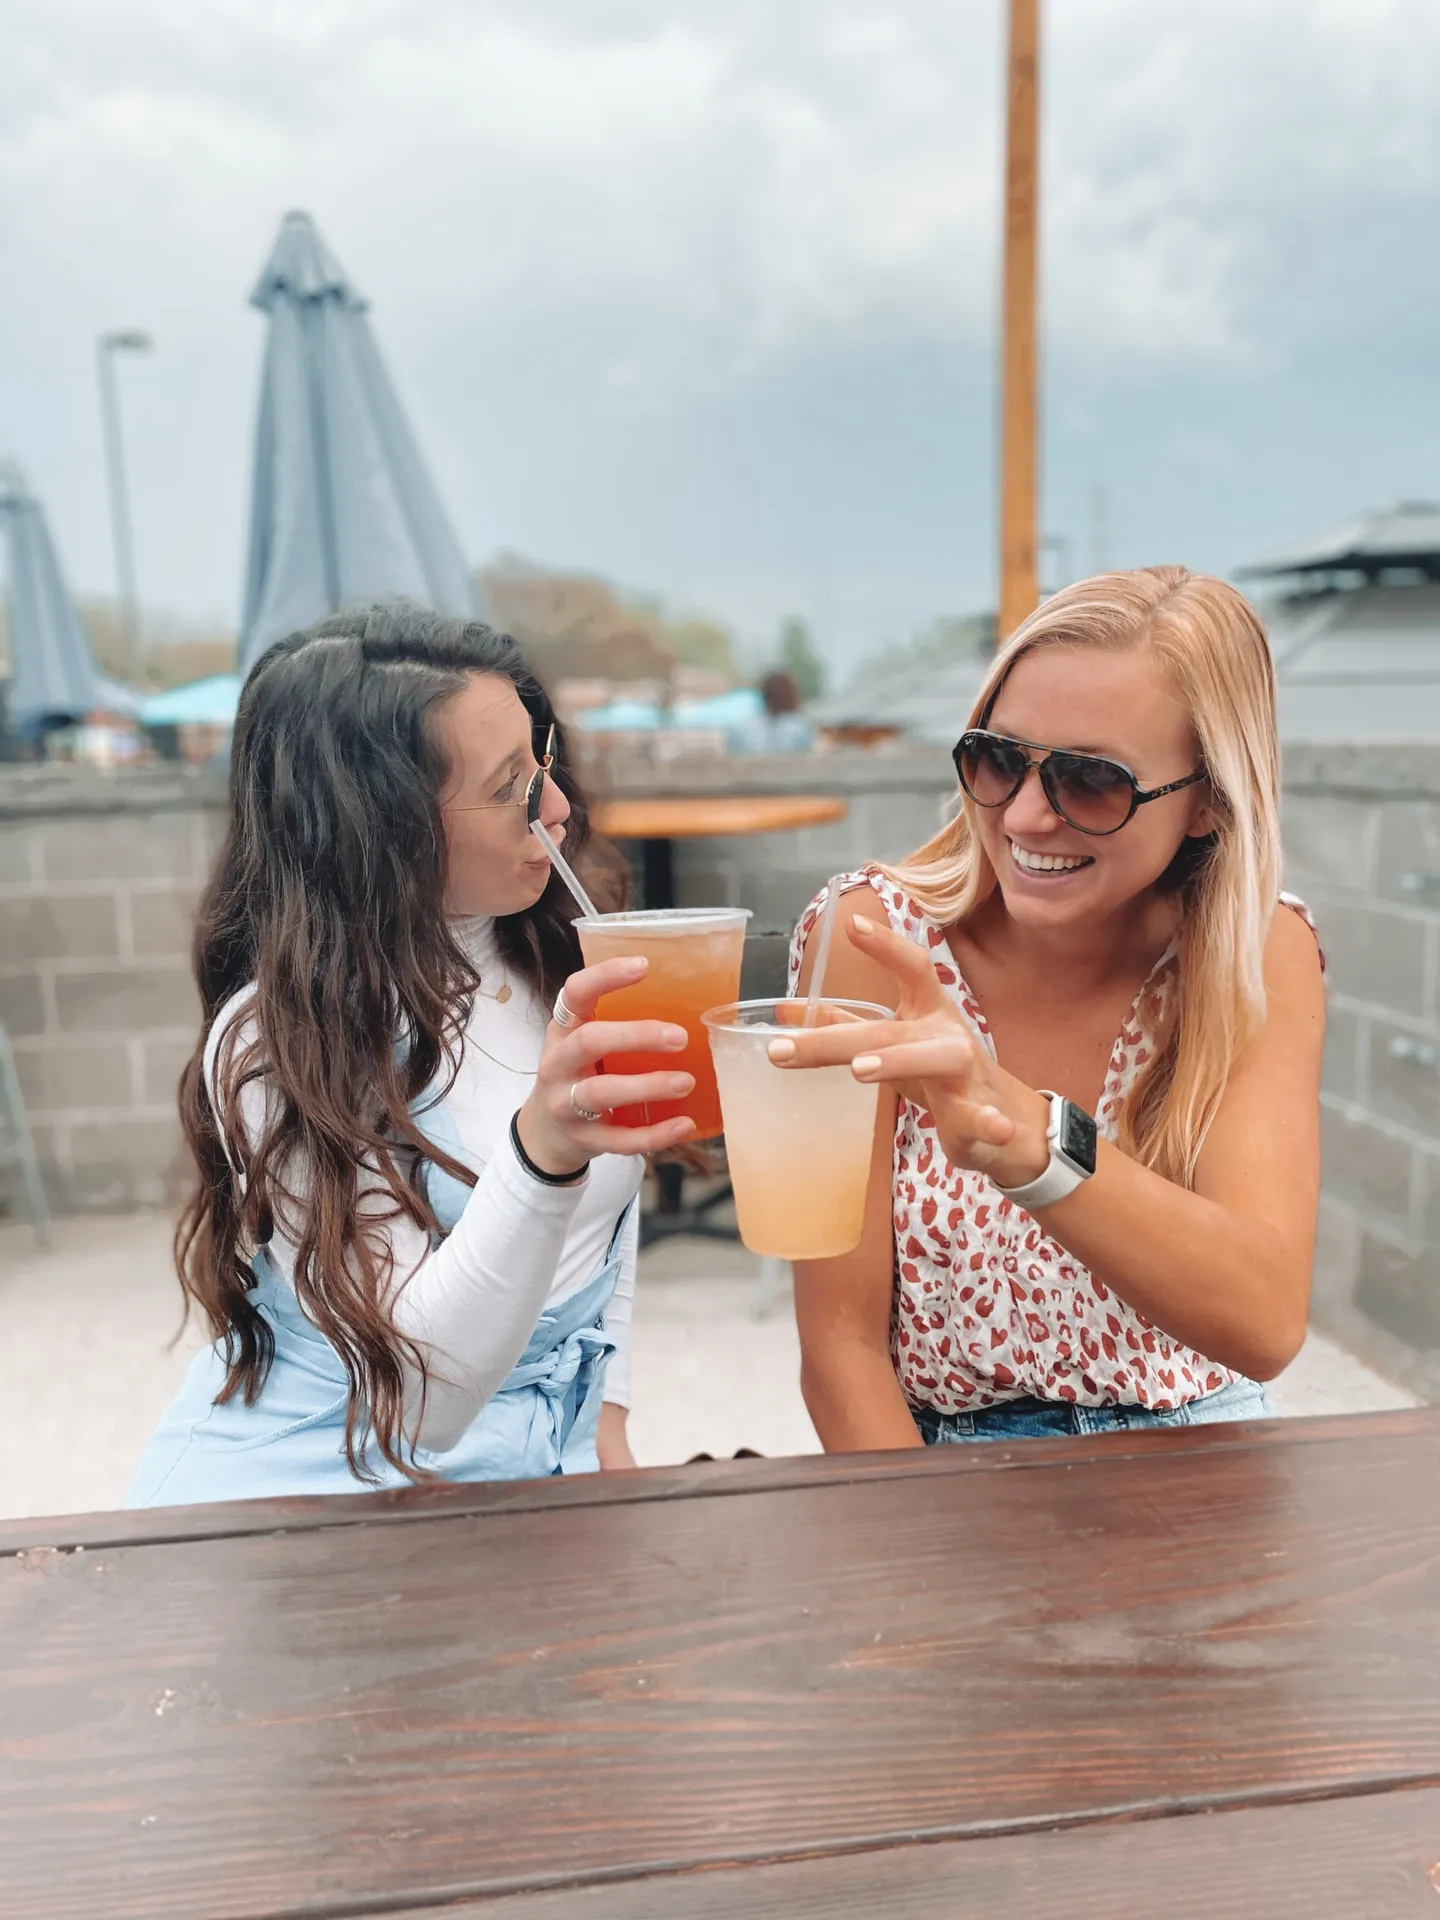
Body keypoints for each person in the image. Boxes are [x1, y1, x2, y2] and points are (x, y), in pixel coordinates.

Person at [128, 604, 697, 1507]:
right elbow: (418, 1405)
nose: (558, 807)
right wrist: (541, 1154)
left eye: (542, 761)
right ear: (380, 822)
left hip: (534, 1484)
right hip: (318, 1492)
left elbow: (600, 1237)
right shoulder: (281, 1040)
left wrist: (604, 1424)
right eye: (512, 786)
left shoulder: (557, 953)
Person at [774, 567, 1324, 1449]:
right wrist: (920, 1574)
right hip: (945, 1464)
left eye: (1091, 781)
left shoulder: (1257, 952)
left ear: (1210, 804)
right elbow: (839, 1349)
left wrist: (1029, 1139)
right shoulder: (873, 937)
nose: (1027, 816)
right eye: (998, 759)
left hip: (1200, 1450)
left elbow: (1263, 1325)